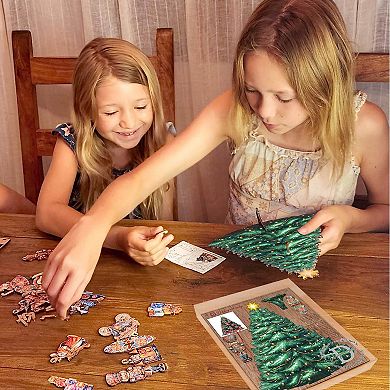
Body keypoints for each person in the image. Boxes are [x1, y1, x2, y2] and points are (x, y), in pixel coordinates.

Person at [43, 0, 389, 319]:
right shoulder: (233, 108)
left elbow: (386, 210)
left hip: (325, 284)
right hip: (236, 274)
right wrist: (92, 227)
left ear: (326, 84)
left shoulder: (365, 125)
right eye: (252, 90)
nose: (265, 111)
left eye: (285, 97)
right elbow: (142, 179)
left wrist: (350, 218)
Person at [36, 37, 175, 272]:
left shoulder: (165, 140)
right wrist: (117, 237)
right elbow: (45, 213)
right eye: (110, 112)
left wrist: (154, 247)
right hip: (83, 259)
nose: (129, 122)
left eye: (140, 107)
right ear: (87, 110)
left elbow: (166, 223)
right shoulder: (72, 141)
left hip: (139, 267)